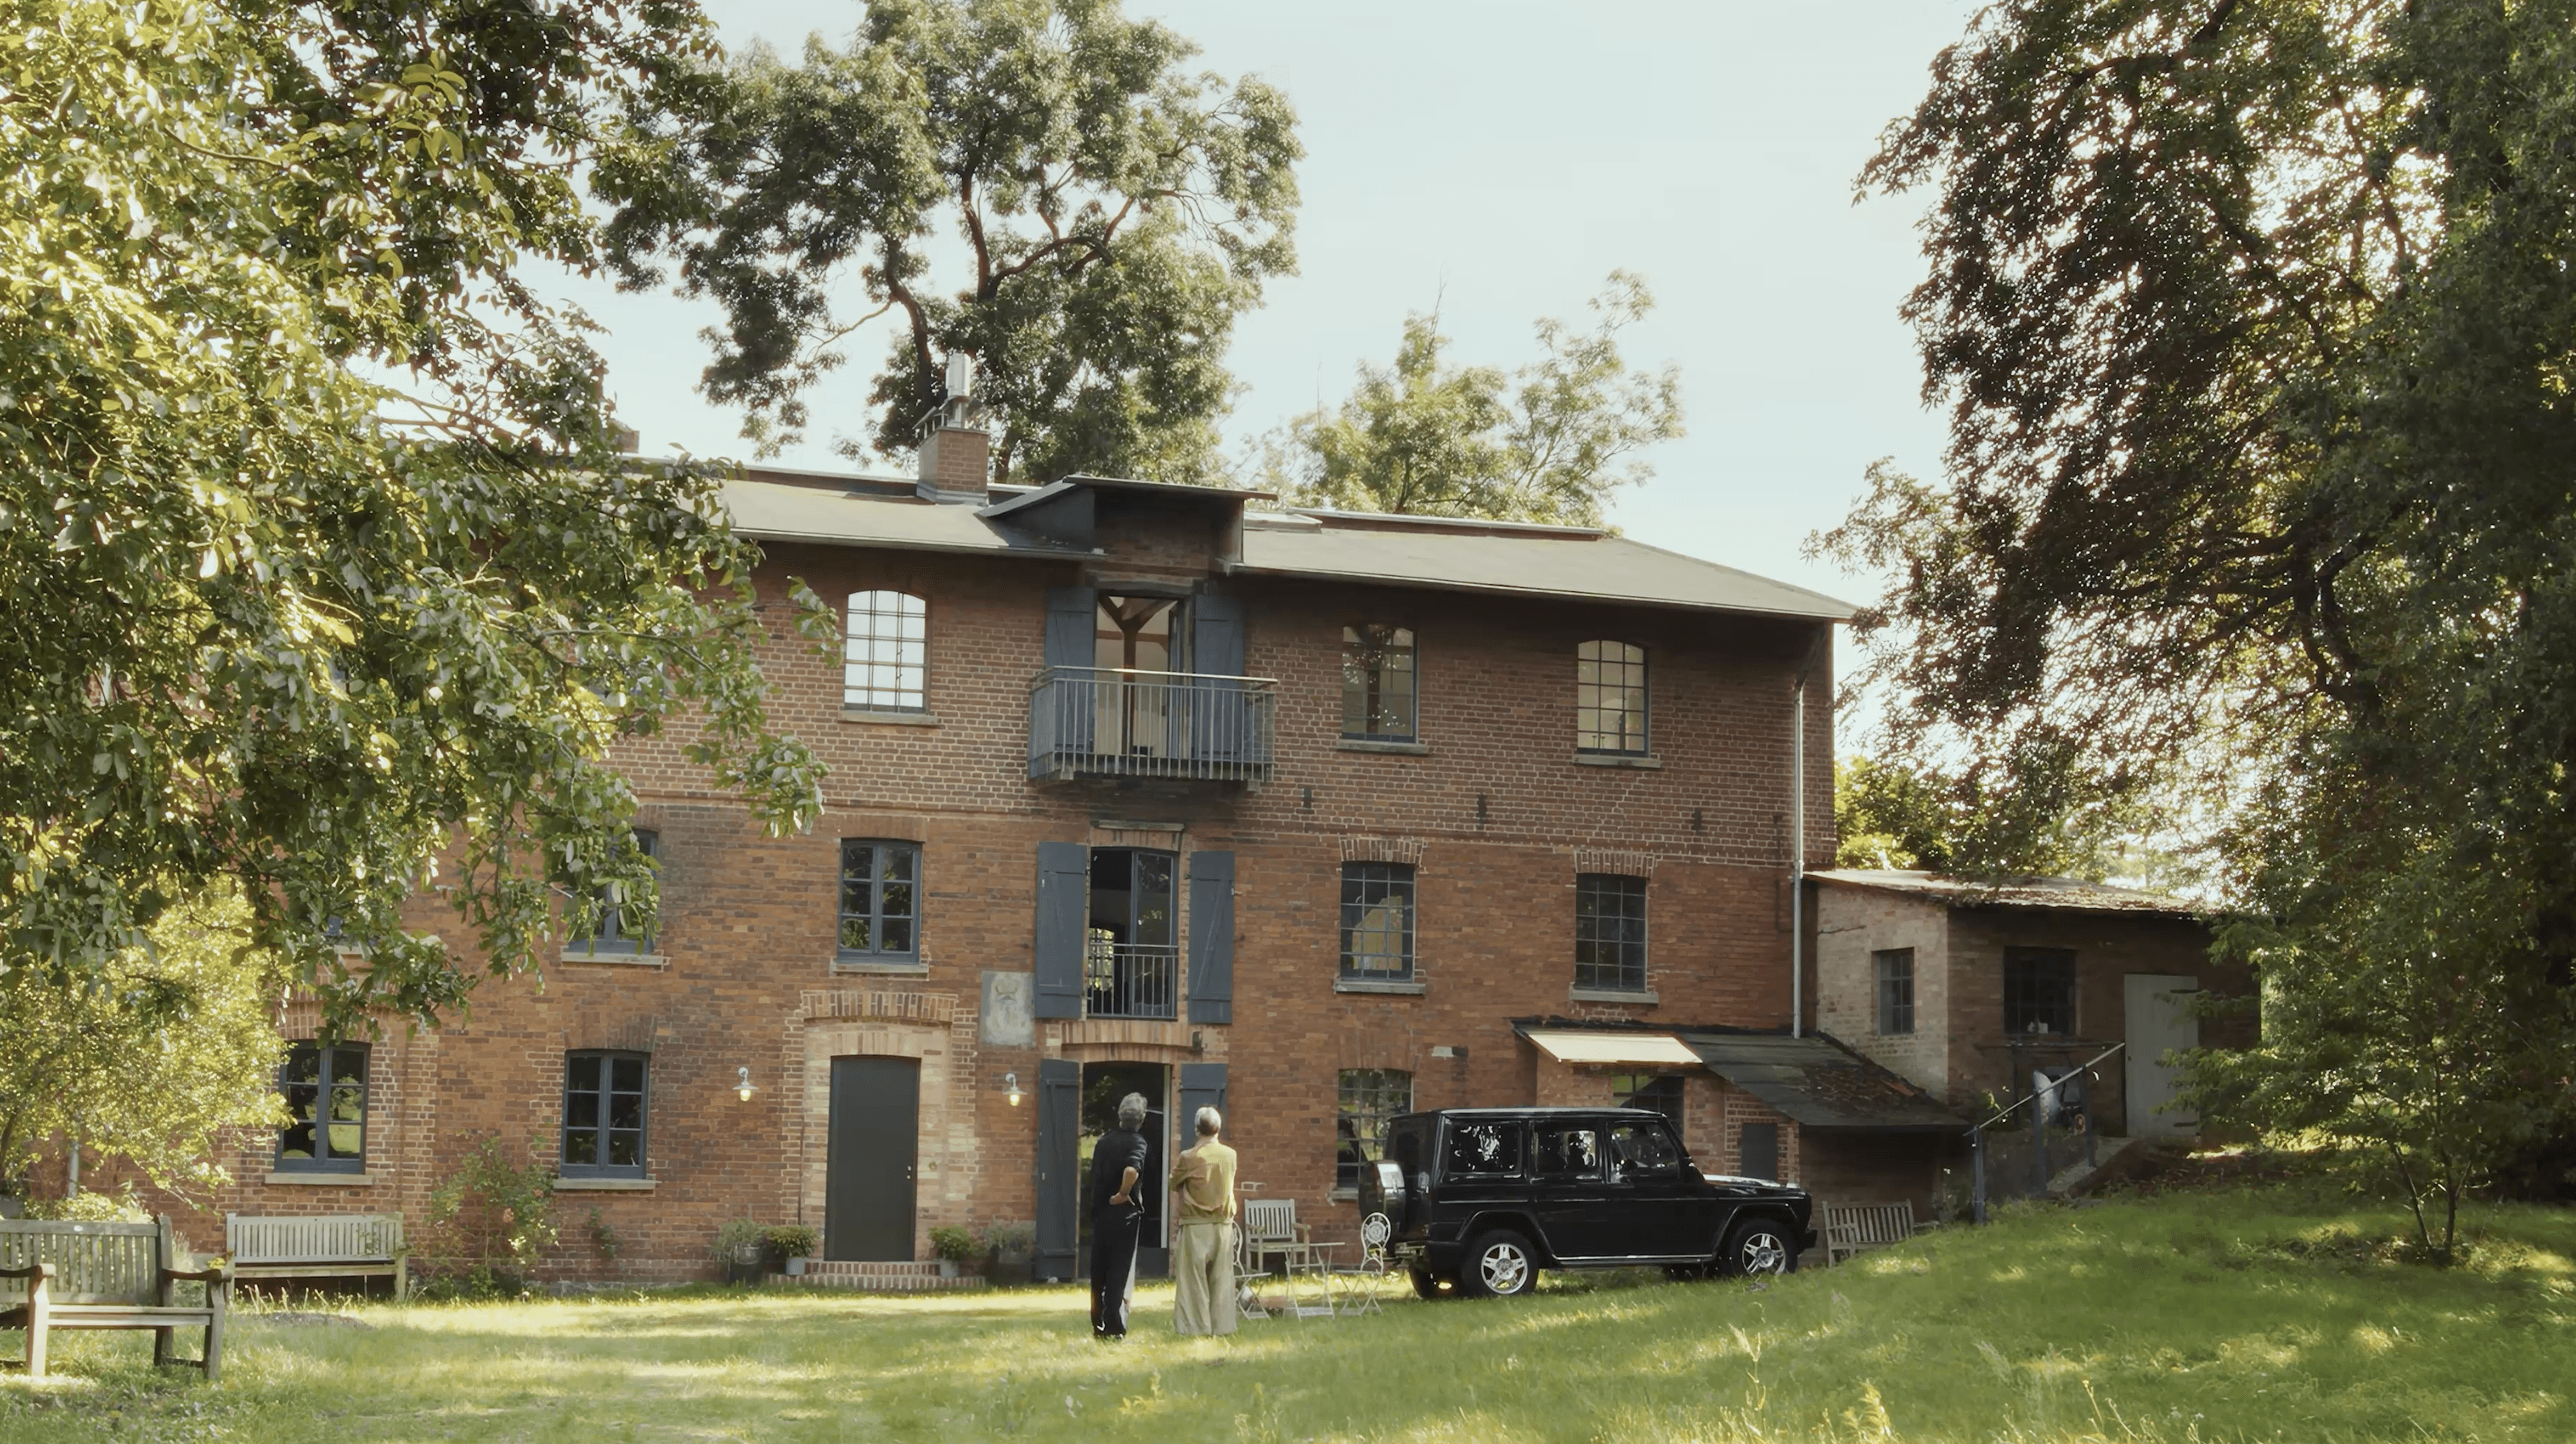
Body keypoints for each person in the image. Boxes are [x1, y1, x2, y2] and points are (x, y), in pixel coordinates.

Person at [1167, 1104, 1239, 1336]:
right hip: (1224, 1226)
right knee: (1222, 1279)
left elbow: (1172, 1183)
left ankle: (1196, 1328)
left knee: (1193, 1281)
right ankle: (1222, 1327)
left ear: (1198, 1130)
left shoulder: (1189, 1157)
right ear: (1218, 1129)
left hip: (1196, 1224)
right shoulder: (1230, 1155)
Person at [1087, 1092, 1152, 1340]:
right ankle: (1114, 1325)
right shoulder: (1138, 1142)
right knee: (1118, 1271)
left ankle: (1098, 1324)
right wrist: (1124, 1193)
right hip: (1123, 1216)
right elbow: (1131, 1170)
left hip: (1100, 1212)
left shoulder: (1103, 1141)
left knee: (1099, 1271)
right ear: (1142, 1119)